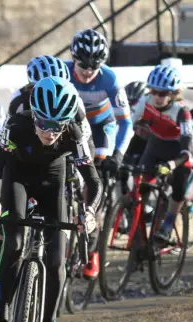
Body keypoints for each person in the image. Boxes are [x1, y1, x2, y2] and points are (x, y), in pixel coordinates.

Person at [0, 76, 103, 322]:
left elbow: (93, 180)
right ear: (34, 113)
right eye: (44, 124)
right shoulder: (16, 125)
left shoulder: (74, 132)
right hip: (17, 178)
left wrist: (89, 212)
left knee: (57, 261)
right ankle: (0, 321)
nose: (50, 132)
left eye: (57, 125)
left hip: (53, 184)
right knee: (14, 242)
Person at [66, 28, 133, 277]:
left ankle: (92, 246)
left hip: (101, 130)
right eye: (83, 64)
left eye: (94, 66)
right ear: (74, 58)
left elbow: (125, 123)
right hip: (72, 127)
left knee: (93, 185)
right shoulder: (62, 72)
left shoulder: (110, 80)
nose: (87, 71)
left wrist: (118, 155)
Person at [129, 65, 193, 242]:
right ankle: (139, 226)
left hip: (177, 152)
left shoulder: (182, 112)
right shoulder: (145, 101)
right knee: (142, 187)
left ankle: (168, 224)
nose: (158, 97)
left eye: (164, 93)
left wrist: (173, 164)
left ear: (173, 93)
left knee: (178, 189)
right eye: (154, 92)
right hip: (155, 146)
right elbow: (128, 127)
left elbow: (187, 148)